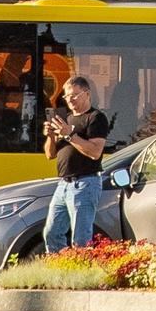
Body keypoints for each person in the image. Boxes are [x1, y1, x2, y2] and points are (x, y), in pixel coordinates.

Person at [39, 74, 111, 254]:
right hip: (63, 183)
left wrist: (69, 135)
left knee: (81, 238)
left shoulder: (96, 117)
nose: (69, 100)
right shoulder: (67, 119)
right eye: (66, 96)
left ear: (87, 94)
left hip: (85, 183)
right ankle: (58, 271)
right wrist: (51, 136)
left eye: (74, 95)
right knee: (51, 233)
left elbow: (95, 152)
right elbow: (50, 154)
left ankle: (80, 275)